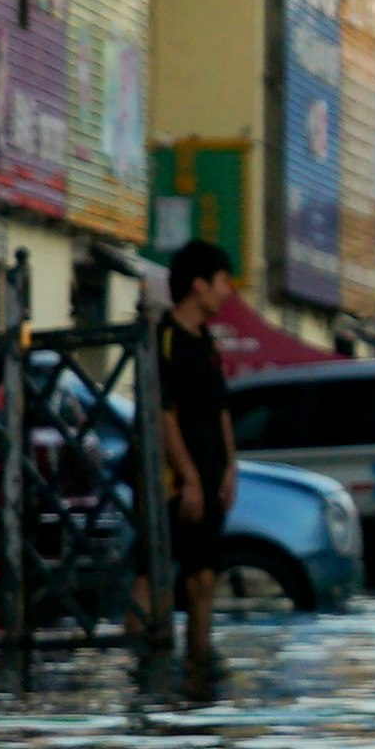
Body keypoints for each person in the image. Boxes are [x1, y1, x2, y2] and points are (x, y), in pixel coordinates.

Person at [154, 241, 241, 668]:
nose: (228, 292)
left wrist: (231, 467)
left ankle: (200, 662)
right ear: (198, 284)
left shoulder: (207, 341)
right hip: (177, 476)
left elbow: (221, 408)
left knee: (205, 576)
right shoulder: (165, 338)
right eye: (223, 281)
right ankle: (158, 664)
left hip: (211, 473)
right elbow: (164, 416)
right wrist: (187, 477)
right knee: (157, 574)